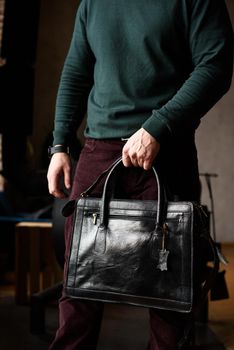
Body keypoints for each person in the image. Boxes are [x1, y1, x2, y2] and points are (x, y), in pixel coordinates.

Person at [47, 0, 233, 349]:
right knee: (79, 288)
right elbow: (76, 72)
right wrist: (59, 146)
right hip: (97, 152)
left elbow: (216, 65)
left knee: (171, 293)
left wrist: (158, 127)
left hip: (165, 153)